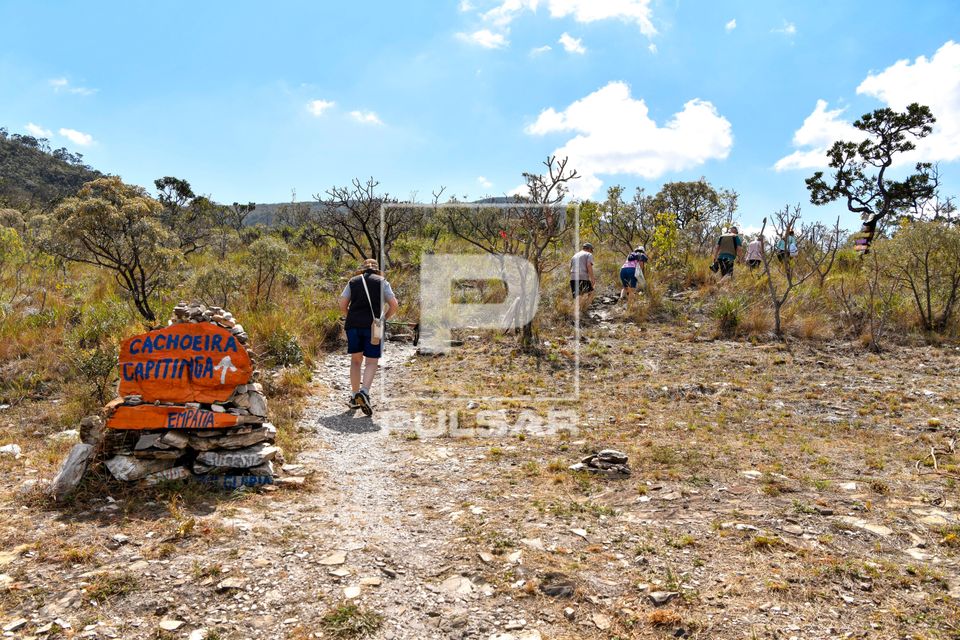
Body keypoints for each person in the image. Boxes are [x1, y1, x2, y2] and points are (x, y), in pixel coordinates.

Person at [338, 259, 399, 415]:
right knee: (371, 362)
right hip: (374, 327)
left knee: (356, 361)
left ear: (362, 270)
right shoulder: (382, 282)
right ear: (377, 270)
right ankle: (364, 393)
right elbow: (394, 305)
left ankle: (354, 397)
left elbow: (342, 304)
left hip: (353, 326)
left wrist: (350, 316)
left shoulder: (353, 281)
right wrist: (384, 318)